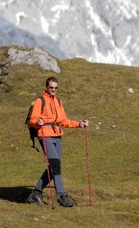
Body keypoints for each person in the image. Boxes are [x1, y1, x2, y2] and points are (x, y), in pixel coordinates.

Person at [26, 76, 89, 207]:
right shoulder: (40, 101)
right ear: (46, 87)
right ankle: (61, 195)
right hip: (45, 135)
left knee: (53, 166)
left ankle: (35, 194)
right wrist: (38, 122)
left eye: (55, 88)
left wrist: (79, 124)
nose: (53, 90)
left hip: (57, 136)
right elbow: (32, 120)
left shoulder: (58, 102)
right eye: (51, 88)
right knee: (55, 164)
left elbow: (63, 121)